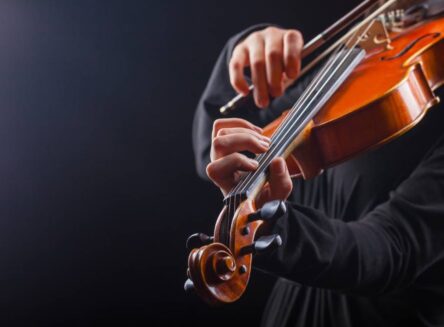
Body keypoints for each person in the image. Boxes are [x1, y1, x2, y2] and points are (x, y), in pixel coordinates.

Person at [192, 6, 444, 327]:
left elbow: (393, 247)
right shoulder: (379, 52)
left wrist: (275, 224)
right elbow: (213, 150)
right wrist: (246, 54)